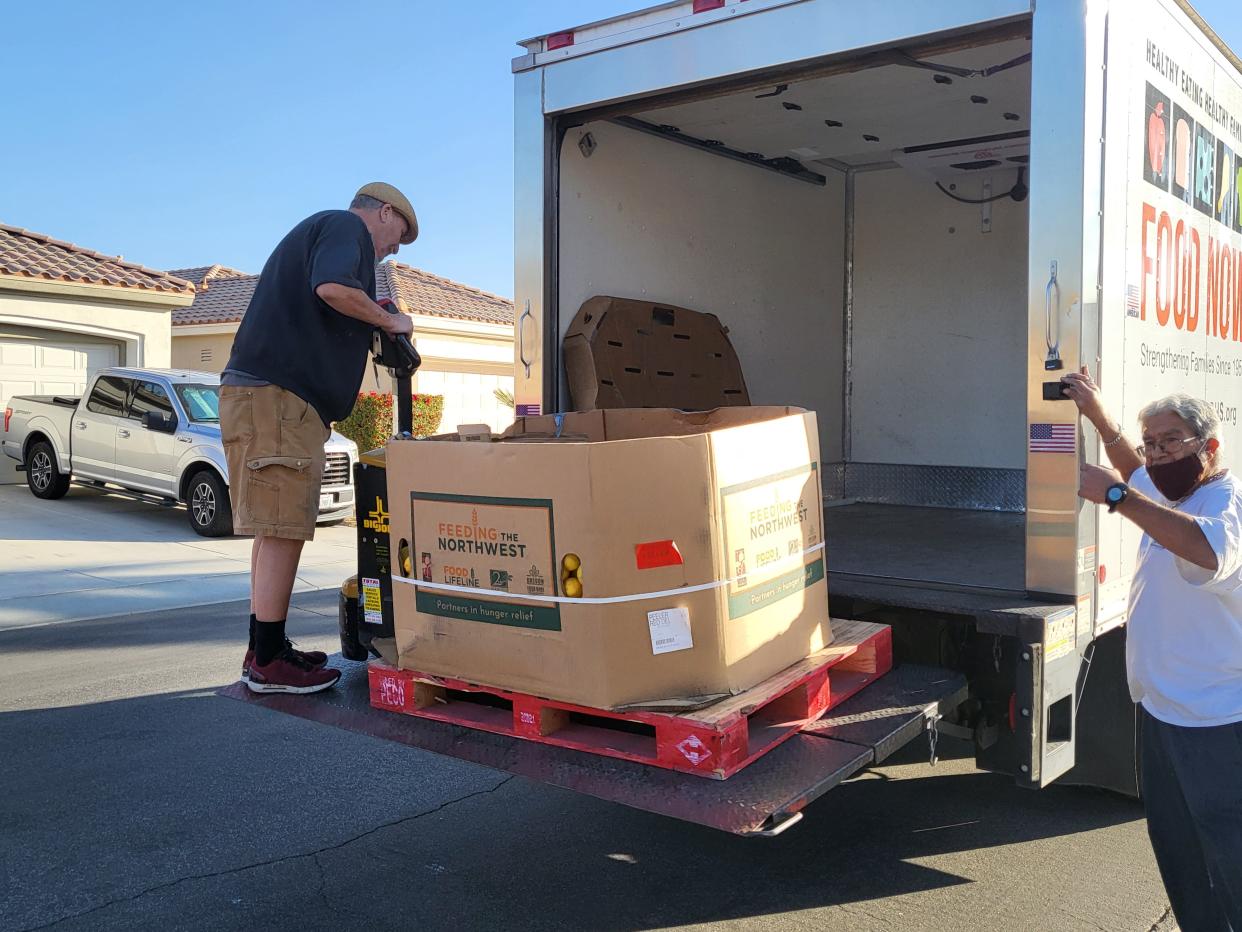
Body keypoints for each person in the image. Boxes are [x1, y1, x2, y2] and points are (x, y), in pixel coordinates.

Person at [1063, 366, 1242, 931]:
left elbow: (1208, 551)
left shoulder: (1225, 504)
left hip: (1214, 718)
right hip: (1164, 709)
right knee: (1179, 848)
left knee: (1227, 853)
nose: (1159, 456)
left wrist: (1115, 496)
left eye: (1172, 442)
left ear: (1209, 447)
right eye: (1153, 444)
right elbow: (1137, 473)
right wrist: (1097, 414)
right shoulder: (1176, 490)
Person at [221, 183, 417, 695]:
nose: (391, 250)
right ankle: (268, 662)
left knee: (272, 527)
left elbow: (331, 298)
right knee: (284, 527)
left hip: (264, 397)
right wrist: (389, 318)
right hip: (279, 400)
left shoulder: (325, 233)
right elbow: (331, 289)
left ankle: (263, 648)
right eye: (397, 239)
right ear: (384, 212)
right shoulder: (347, 226)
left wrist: (374, 314)